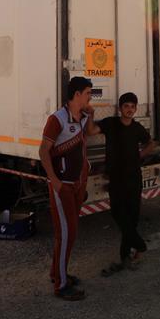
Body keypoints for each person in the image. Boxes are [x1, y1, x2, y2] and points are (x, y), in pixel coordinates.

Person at [39, 76, 99, 301]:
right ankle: (61, 285)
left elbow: (90, 133)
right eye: (87, 94)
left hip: (76, 185)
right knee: (67, 233)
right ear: (76, 95)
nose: (90, 98)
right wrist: (54, 180)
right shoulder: (57, 119)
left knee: (68, 233)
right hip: (62, 186)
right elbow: (43, 151)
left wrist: (91, 115)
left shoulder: (82, 117)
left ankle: (57, 273)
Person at [90, 92, 155, 276]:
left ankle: (125, 256)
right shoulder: (111, 124)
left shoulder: (137, 128)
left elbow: (151, 143)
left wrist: (140, 155)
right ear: (120, 108)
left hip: (134, 178)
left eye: (132, 107)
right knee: (118, 214)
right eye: (126, 106)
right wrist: (91, 116)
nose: (129, 110)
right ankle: (140, 246)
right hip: (116, 179)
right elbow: (91, 131)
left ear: (135, 109)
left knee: (132, 218)